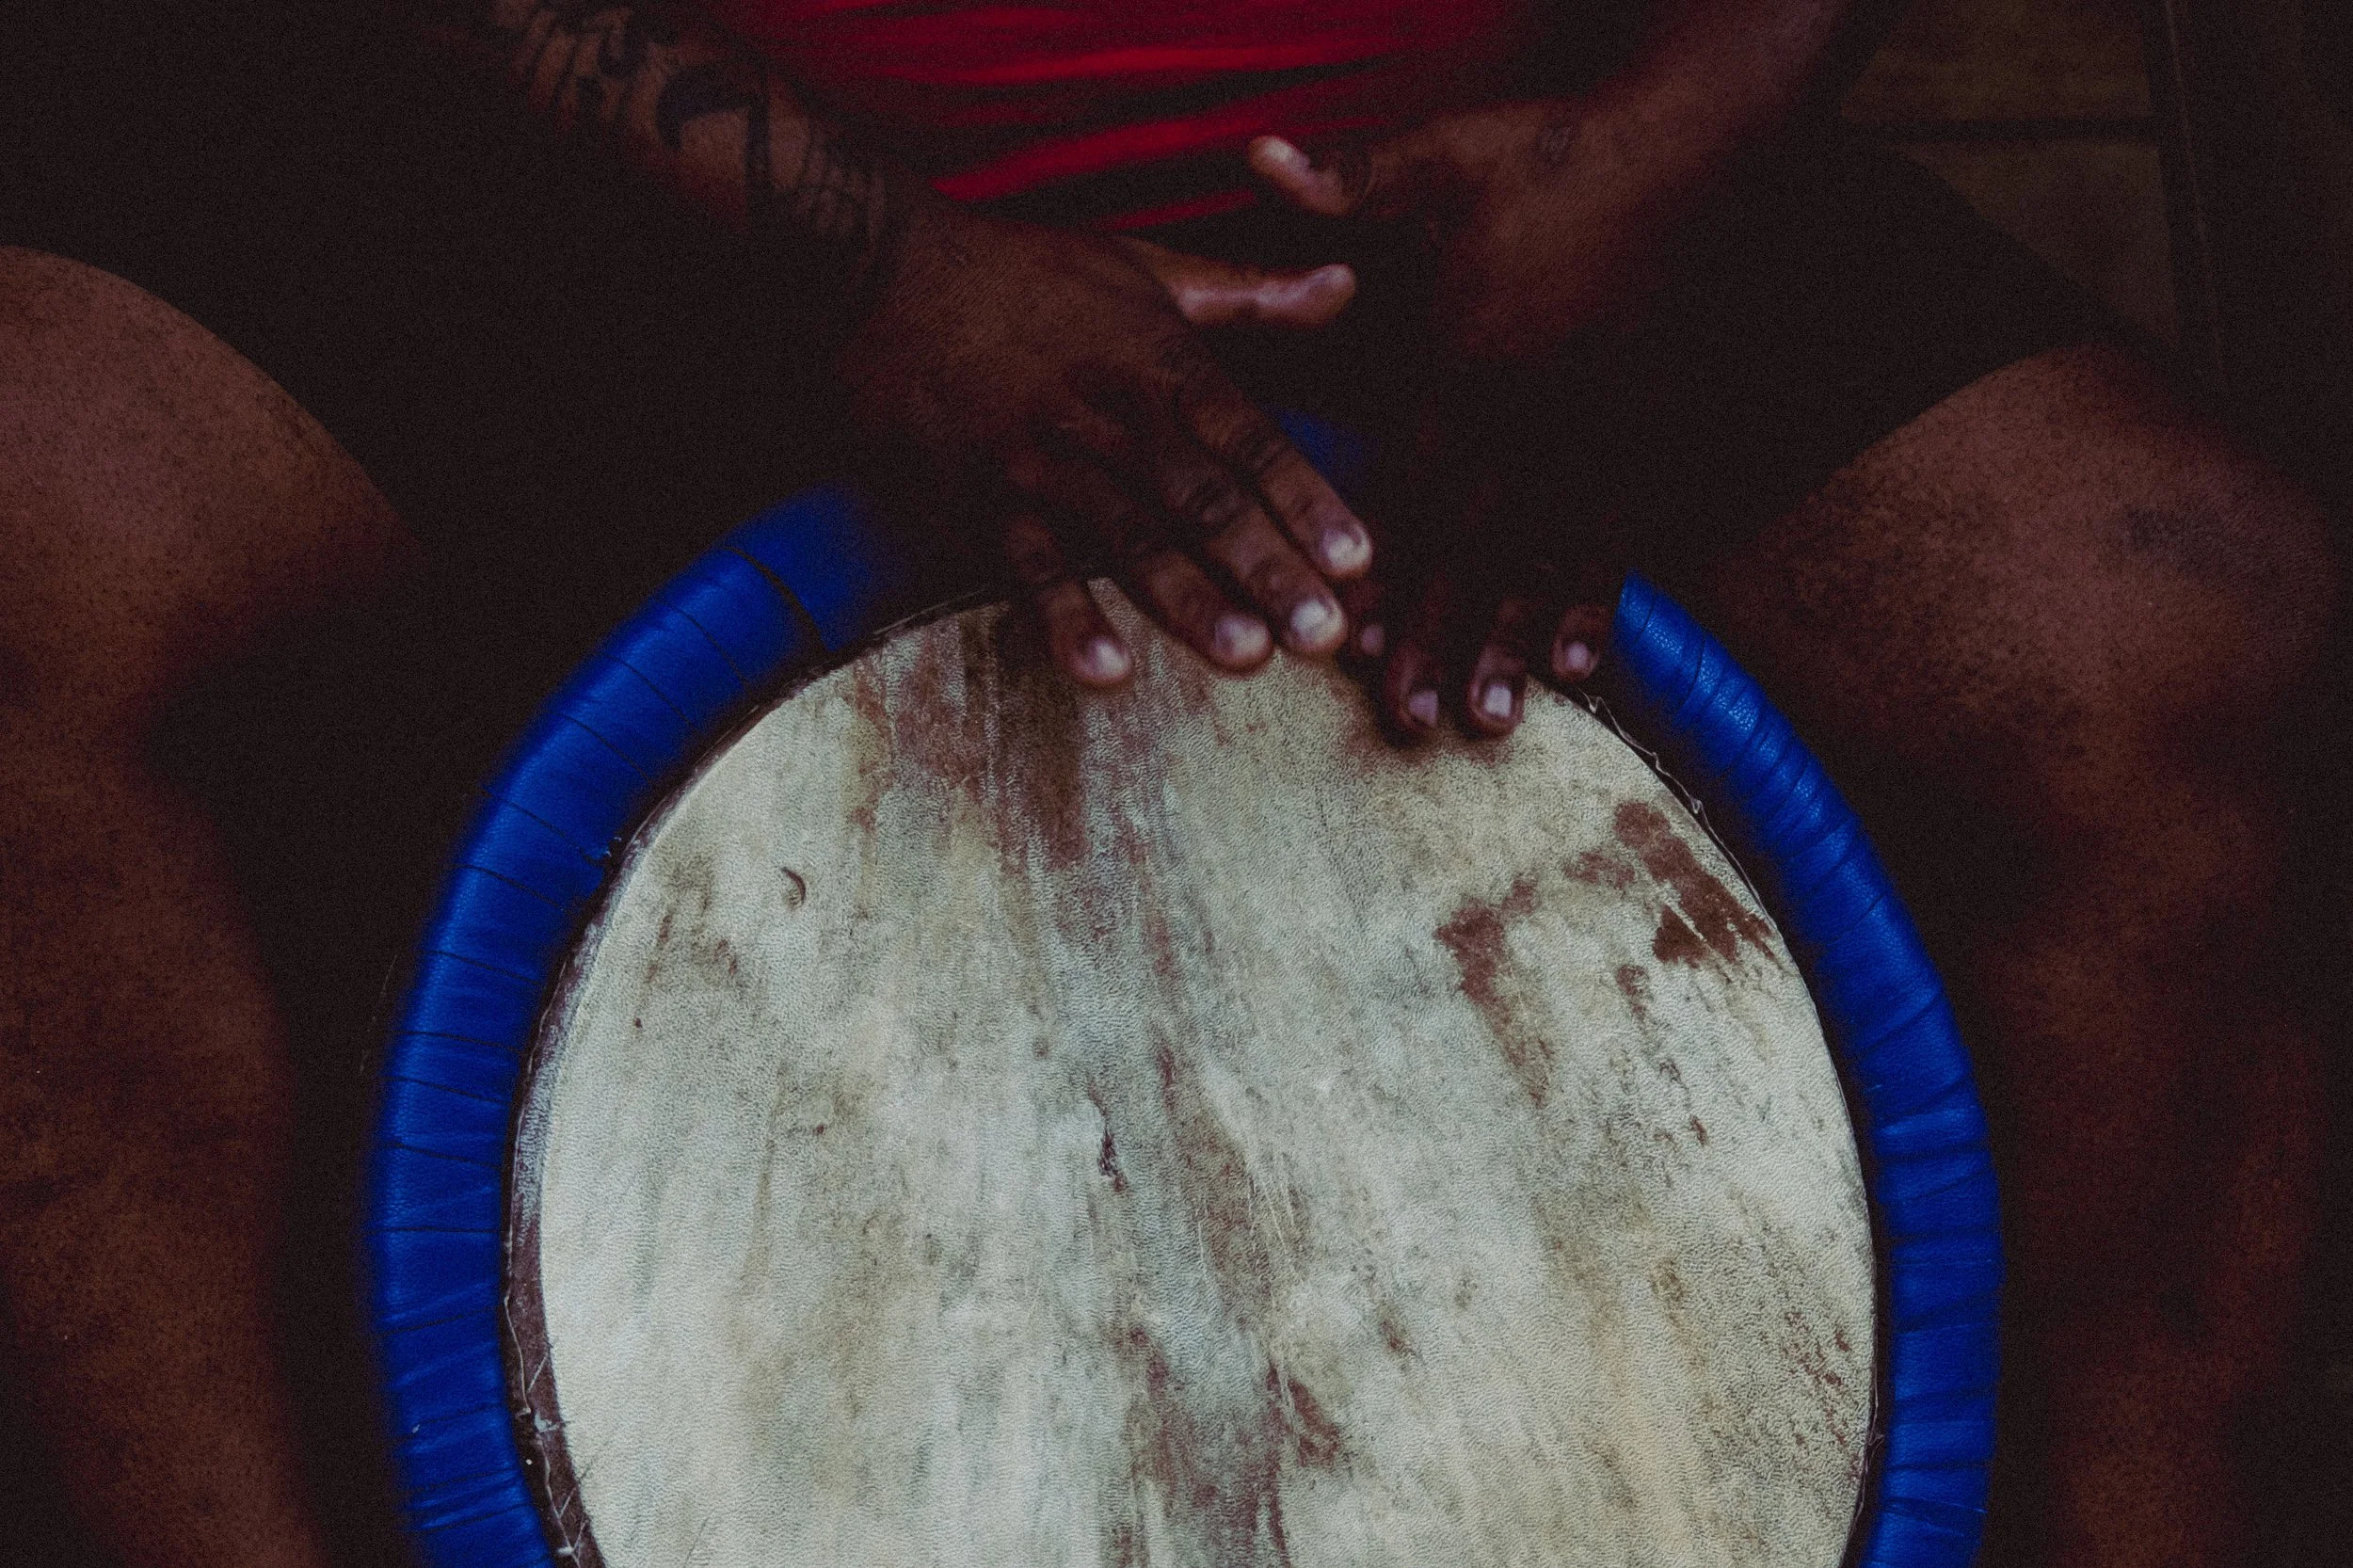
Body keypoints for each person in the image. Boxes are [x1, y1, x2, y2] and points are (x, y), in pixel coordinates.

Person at [0, 1, 2336, 1564]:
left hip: (1491, 197)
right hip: (639, 199)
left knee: (2180, 623)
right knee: (28, 547)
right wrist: (862, 254)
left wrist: (1675, 134)